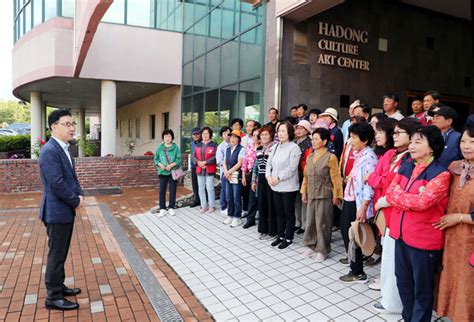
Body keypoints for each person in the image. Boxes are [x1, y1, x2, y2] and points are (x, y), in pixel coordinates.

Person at [385, 126, 451, 322]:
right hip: (401, 235)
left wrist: (401, 198)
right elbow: (389, 193)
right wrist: (408, 198)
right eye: (411, 141)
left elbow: (424, 203)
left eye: (418, 142)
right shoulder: (407, 166)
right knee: (404, 283)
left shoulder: (440, 173)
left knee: (421, 289)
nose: (411, 146)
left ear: (432, 147)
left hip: (423, 241)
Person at [371, 117, 421, 314]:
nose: (395, 136)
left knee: (394, 261)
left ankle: (393, 301)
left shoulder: (410, 159)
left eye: (399, 132)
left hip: (397, 213)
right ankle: (388, 297)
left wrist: (386, 192)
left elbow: (394, 186)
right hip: (387, 212)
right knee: (388, 257)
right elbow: (377, 178)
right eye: (395, 132)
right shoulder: (393, 154)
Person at [39, 109, 83, 311]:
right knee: (56, 254)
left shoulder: (64, 148)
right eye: (67, 124)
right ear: (53, 127)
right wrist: (75, 201)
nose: (72, 128)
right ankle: (53, 297)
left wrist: (79, 193)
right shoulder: (49, 151)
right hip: (57, 211)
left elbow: (72, 177)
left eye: (72, 124)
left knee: (62, 252)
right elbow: (56, 183)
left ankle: (59, 285)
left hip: (64, 210)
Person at [435, 116, 474, 322]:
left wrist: (458, 217)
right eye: (464, 141)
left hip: (470, 239)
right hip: (451, 236)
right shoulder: (454, 167)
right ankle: (451, 313)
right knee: (451, 274)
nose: (466, 146)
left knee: (468, 280)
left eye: (473, 142)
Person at [339, 122, 377, 283]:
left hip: (358, 202)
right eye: (350, 136)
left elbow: (370, 184)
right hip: (350, 199)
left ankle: (358, 272)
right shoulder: (360, 154)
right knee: (348, 233)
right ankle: (353, 262)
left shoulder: (369, 157)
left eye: (354, 137)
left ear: (365, 140)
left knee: (354, 235)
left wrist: (364, 207)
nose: (350, 141)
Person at [301, 128, 343, 262]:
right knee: (311, 221)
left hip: (325, 195)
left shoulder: (331, 157)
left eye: (316, 139)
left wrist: (337, 195)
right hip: (312, 193)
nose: (313, 141)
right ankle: (311, 245)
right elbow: (306, 177)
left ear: (324, 141)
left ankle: (323, 249)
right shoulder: (310, 156)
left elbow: (336, 178)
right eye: (312, 139)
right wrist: (304, 191)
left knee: (323, 223)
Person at [266, 122, 302, 249]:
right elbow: (268, 164)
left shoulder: (294, 148)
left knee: (288, 213)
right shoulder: (275, 147)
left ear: (289, 133)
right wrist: (269, 177)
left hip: (288, 186)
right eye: (279, 131)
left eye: (283, 131)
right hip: (275, 185)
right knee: (279, 212)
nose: (280, 133)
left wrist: (278, 178)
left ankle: (288, 237)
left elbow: (292, 168)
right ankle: (280, 235)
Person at [253, 126, 276, 239]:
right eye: (262, 135)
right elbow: (256, 166)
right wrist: (254, 180)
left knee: (271, 204)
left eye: (266, 134)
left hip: (271, 178)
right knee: (261, 204)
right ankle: (263, 229)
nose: (264, 137)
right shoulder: (259, 149)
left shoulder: (275, 148)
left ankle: (272, 231)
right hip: (261, 179)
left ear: (271, 135)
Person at [155, 129, 182, 217]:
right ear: (163, 138)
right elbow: (156, 159)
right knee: (162, 190)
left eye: (169, 136)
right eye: (165, 136)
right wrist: (160, 165)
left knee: (173, 190)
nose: (167, 138)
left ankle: (171, 207)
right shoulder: (160, 148)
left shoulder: (175, 147)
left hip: (172, 172)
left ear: (172, 137)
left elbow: (179, 159)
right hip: (162, 172)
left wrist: (171, 165)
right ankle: (162, 208)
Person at [294, 120, 313, 235]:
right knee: (296, 200)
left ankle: (305, 224)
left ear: (307, 130)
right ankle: (297, 222)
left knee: (304, 200)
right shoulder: (295, 142)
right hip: (294, 175)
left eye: (301, 128)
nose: (298, 130)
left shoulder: (310, 143)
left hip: (304, 175)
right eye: (297, 128)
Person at [223, 130, 245, 227]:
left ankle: (237, 217)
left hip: (236, 176)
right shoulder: (228, 149)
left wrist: (229, 172)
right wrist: (226, 172)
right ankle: (230, 215)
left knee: (236, 197)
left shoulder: (241, 149)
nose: (232, 139)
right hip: (228, 176)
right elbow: (224, 162)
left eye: (235, 137)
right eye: (231, 137)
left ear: (238, 139)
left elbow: (239, 163)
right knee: (229, 196)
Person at [194, 127, 218, 213]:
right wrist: (198, 162)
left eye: (207, 133)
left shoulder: (214, 145)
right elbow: (194, 156)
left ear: (210, 134)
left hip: (209, 169)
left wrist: (205, 162)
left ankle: (212, 206)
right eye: (203, 134)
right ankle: (203, 205)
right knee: (201, 188)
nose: (205, 135)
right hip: (199, 169)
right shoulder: (198, 144)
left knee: (209, 188)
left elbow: (215, 157)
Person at [241, 128, 261, 228]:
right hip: (249, 175)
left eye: (258, 135)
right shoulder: (249, 147)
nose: (255, 138)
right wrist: (244, 176)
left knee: (256, 198)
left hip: (259, 176)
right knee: (250, 198)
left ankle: (258, 218)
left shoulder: (263, 148)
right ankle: (250, 219)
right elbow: (244, 162)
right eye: (254, 135)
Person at [216, 126, 231, 215]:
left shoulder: (234, 145)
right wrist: (228, 165)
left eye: (228, 134)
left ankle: (230, 206)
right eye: (224, 134)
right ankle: (223, 207)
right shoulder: (221, 147)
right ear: (222, 135)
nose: (227, 136)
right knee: (225, 190)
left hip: (234, 172)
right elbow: (219, 161)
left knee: (231, 191)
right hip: (224, 172)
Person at [190, 127, 201, 207]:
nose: (196, 135)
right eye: (194, 134)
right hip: (194, 166)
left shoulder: (203, 143)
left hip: (201, 166)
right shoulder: (192, 144)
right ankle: (196, 200)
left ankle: (203, 200)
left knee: (202, 184)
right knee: (194, 184)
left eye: (197, 134)